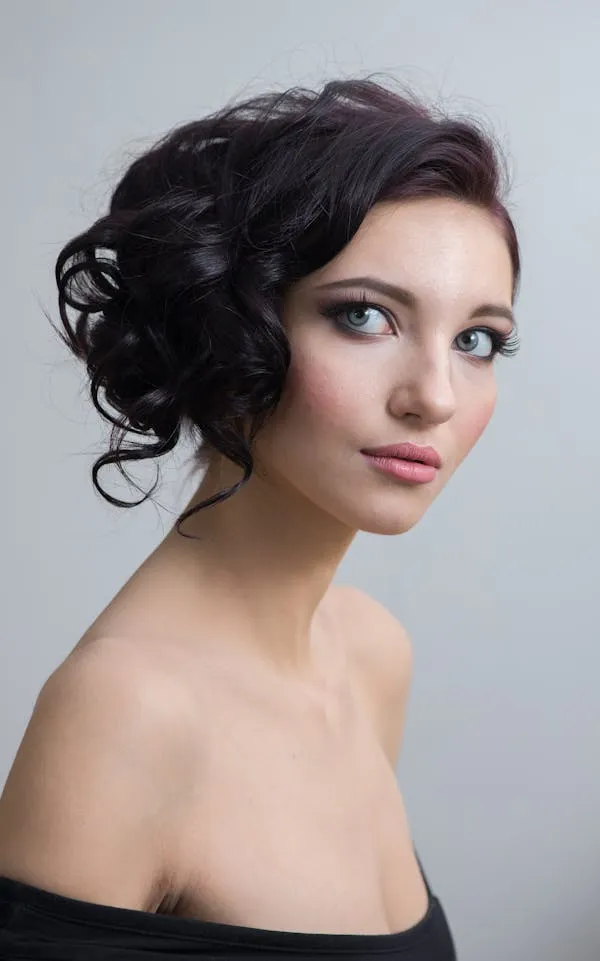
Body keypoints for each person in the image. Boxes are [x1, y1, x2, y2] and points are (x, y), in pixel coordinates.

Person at [0, 76, 520, 961]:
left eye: (478, 340)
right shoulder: (124, 715)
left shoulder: (368, 653)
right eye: (365, 316)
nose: (434, 396)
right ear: (230, 326)